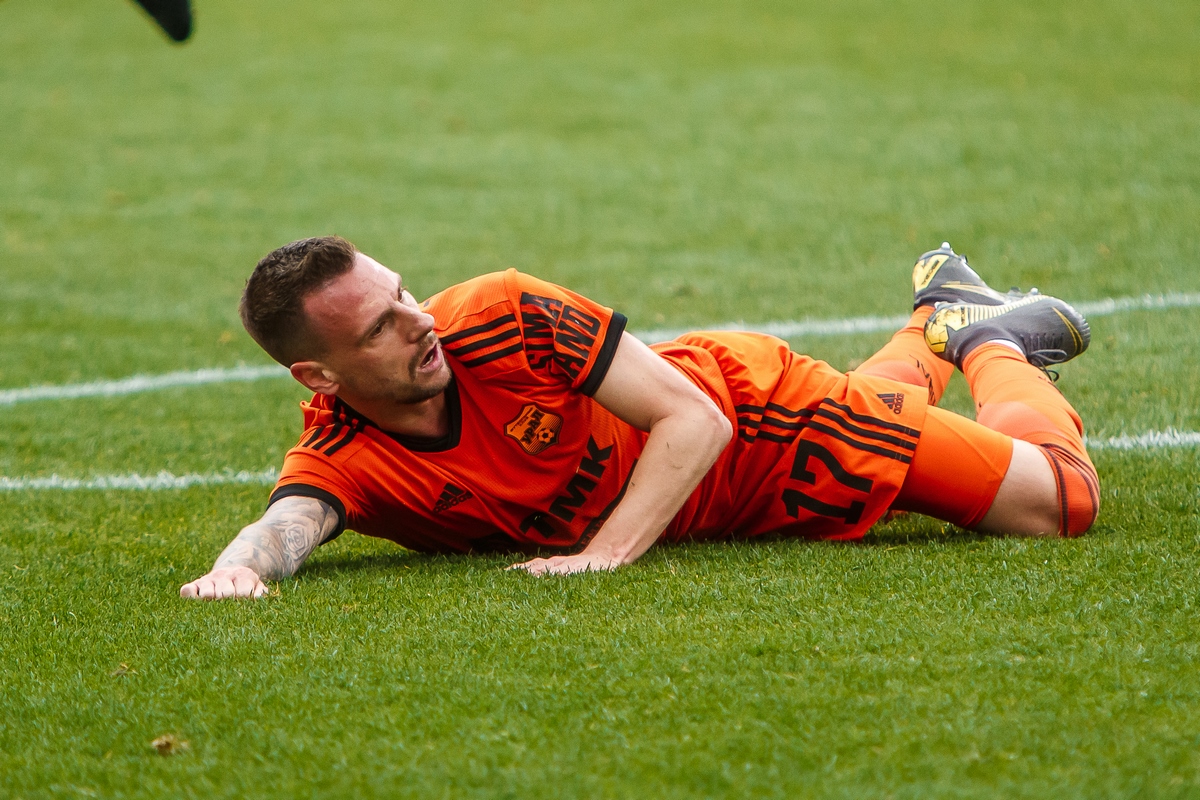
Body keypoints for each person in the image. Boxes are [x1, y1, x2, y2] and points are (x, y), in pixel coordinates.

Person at [180, 237, 1099, 600]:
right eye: (380, 328)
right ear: (320, 376)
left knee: (1058, 504)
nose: (418, 323)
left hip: (769, 424)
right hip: (722, 498)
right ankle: (938, 318)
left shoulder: (501, 311)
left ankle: (990, 343)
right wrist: (237, 570)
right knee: (893, 413)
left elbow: (696, 421)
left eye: (404, 294)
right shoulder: (345, 456)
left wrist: (606, 554)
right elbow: (285, 525)